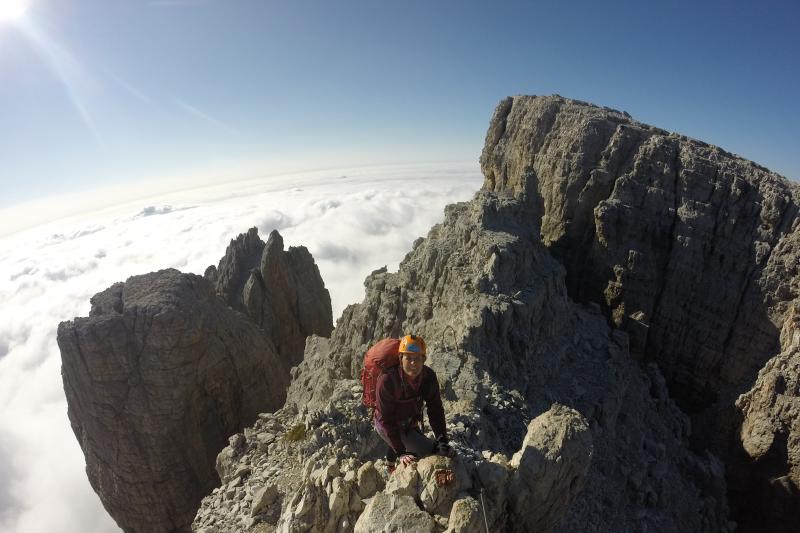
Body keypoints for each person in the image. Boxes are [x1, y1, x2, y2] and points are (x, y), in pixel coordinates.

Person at [373, 334, 453, 472]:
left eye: (417, 358)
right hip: (385, 424)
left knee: (438, 448)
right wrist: (401, 453)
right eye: (408, 358)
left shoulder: (428, 377)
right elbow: (387, 419)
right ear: (400, 358)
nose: (413, 363)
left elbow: (435, 410)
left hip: (409, 422)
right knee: (430, 452)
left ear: (424, 359)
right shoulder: (387, 381)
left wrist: (442, 439)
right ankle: (391, 467)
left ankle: (390, 464)